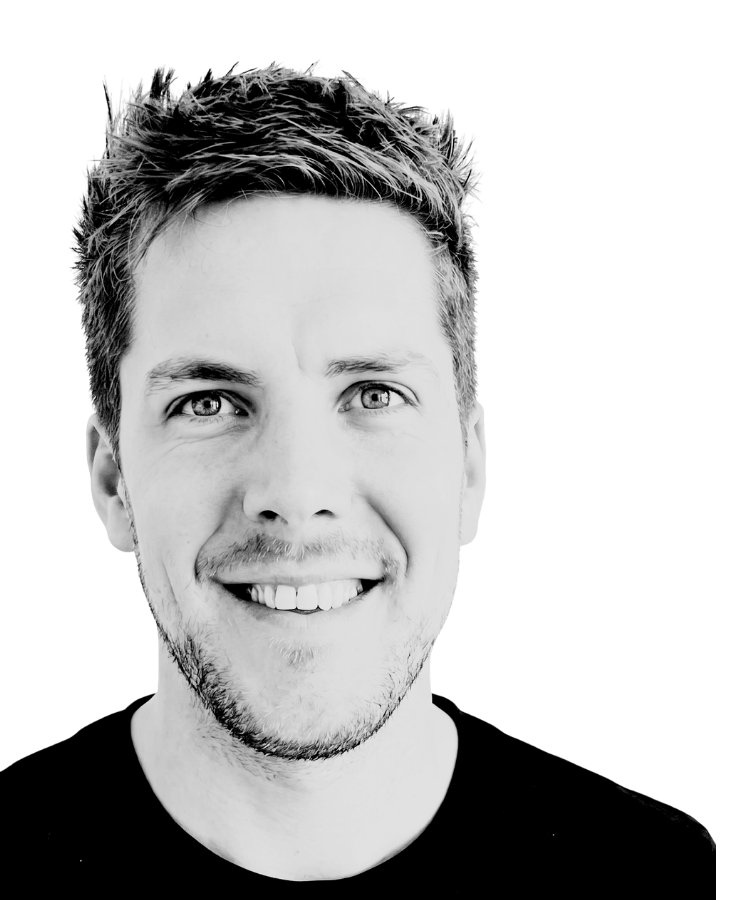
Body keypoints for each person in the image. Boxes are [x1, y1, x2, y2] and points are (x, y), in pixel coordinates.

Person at [75, 64, 715, 885]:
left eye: (373, 393)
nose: (297, 495)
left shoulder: (669, 895)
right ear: (110, 483)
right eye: (209, 402)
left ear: (473, 463)